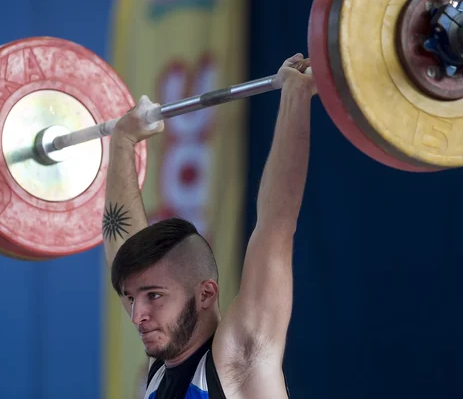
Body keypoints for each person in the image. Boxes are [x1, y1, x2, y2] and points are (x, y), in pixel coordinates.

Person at [102, 53, 317, 399]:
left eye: (153, 296)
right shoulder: (162, 362)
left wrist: (296, 95)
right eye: (132, 298)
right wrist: (123, 143)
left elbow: (276, 226)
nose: (136, 315)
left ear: (205, 294)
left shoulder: (241, 359)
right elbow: (122, 250)